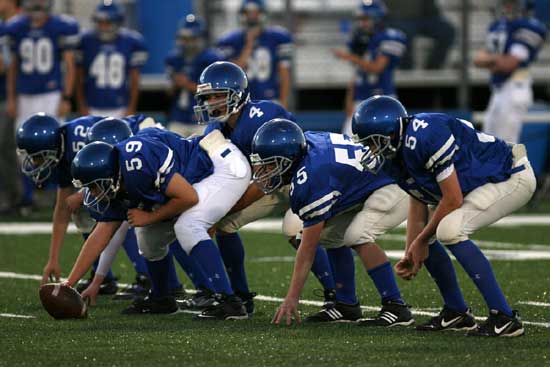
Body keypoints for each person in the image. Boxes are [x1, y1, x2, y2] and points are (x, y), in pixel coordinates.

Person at [352, 95, 536, 337]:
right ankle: (456, 312)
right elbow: (418, 198)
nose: (371, 150)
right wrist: (412, 247)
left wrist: (421, 240)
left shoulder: (426, 135)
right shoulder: (395, 155)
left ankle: (504, 317)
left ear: (390, 132)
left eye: (373, 142)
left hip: (509, 174)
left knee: (449, 229)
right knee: (429, 233)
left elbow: (452, 199)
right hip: (477, 183)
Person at [195, 61, 339, 317]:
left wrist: (221, 208)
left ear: (238, 95)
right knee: (226, 223)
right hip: (265, 182)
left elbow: (268, 179)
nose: (212, 103)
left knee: (299, 230)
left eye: (219, 95)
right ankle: (240, 296)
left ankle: (334, 293)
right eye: (208, 97)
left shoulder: (265, 115)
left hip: (298, 178)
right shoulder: (214, 130)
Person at [67, 127, 252, 320]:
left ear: (110, 175)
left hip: (221, 166)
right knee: (148, 239)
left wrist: (150, 217)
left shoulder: (137, 163)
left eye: (94, 186)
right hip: (193, 180)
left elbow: (188, 197)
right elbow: (100, 235)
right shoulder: (117, 180)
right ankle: (162, 297)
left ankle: (229, 301)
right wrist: (68, 284)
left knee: (188, 226)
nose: (92, 193)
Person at [251, 119, 413, 326]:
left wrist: (292, 297)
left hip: (392, 183)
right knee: (327, 235)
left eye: (270, 164)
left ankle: (396, 306)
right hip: (360, 184)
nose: (264, 171)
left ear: (289, 158)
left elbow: (308, 248)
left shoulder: (312, 176)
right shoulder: (304, 144)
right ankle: (346, 304)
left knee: (357, 235)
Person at [15, 113, 173, 301]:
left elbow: (110, 172)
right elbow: (62, 209)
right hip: (123, 163)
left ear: (49, 147)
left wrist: (81, 195)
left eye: (37, 157)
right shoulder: (61, 151)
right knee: (84, 210)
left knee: (123, 212)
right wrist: (53, 259)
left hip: (143, 139)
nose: (34, 163)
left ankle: (145, 275)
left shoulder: (78, 143)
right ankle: (104, 278)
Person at [474, 0, 547, 144]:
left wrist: (491, 60)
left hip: (514, 87)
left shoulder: (531, 27)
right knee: (488, 144)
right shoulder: (498, 26)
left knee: (506, 146)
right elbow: (477, 60)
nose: (506, 7)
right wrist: (496, 60)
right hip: (498, 90)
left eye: (511, 3)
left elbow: (509, 64)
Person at [332, 0, 406, 136]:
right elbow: (356, 74)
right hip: (360, 99)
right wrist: (349, 99)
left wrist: (350, 57)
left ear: (377, 18)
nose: (362, 23)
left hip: (384, 98)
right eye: (360, 19)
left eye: (365, 19)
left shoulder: (389, 37)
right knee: (350, 140)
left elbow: (377, 67)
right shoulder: (360, 40)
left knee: (388, 142)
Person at [76, 1, 148, 119]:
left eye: (107, 22)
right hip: (92, 106)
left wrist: (131, 108)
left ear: (118, 22)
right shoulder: (85, 41)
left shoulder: (132, 42)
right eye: (100, 22)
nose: (103, 26)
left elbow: (135, 79)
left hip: (120, 106)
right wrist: (82, 106)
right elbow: (79, 77)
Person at [216, 0, 292, 108]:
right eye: (248, 13)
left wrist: (283, 102)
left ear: (263, 14)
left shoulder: (278, 38)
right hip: (240, 100)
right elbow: (232, 72)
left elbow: (284, 72)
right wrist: (249, 45)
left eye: (255, 13)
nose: (252, 17)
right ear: (242, 15)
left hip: (270, 98)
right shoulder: (230, 40)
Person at [165, 14, 221, 137]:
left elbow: (214, 93)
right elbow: (169, 93)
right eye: (185, 38)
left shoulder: (211, 58)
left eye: (192, 38)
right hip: (179, 116)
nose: (188, 43)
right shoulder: (174, 59)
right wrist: (175, 83)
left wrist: (186, 84)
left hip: (203, 117)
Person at [384, 0, 455, 70]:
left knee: (447, 31)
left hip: (424, 17)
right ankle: (407, 72)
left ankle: (433, 69)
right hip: (398, 17)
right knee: (404, 34)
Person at [0, 0, 21, 214]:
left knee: (7, 147)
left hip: (13, 96)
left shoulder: (14, 28)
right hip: (12, 95)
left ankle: (13, 197)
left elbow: (5, 64)